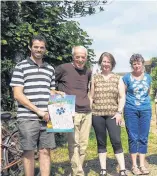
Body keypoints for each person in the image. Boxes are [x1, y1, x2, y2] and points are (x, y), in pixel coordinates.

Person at [10, 35, 63, 176]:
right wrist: (38, 111)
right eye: (36, 47)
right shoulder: (20, 67)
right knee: (28, 153)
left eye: (42, 47)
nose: (39, 50)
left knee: (45, 151)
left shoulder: (50, 69)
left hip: (47, 117)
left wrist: (59, 94)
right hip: (27, 117)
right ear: (30, 47)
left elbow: (50, 91)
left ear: (45, 49)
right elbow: (17, 94)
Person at [55, 46, 92, 176]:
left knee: (83, 145)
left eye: (83, 57)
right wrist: (55, 92)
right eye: (78, 56)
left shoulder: (88, 71)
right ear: (73, 56)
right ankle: (78, 173)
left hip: (87, 112)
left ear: (86, 58)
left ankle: (76, 170)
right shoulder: (63, 68)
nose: (80, 59)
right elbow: (49, 82)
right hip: (69, 111)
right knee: (73, 144)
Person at [89, 52, 127, 176]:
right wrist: (89, 113)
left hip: (113, 115)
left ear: (112, 64)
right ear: (100, 63)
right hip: (97, 114)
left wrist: (119, 112)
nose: (106, 64)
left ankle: (122, 169)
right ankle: (103, 170)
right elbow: (91, 96)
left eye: (108, 62)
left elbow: (122, 97)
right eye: (104, 61)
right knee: (101, 142)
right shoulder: (95, 78)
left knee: (116, 140)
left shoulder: (118, 78)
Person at [122, 54, 152, 175]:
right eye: (134, 63)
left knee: (143, 137)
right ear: (132, 65)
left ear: (142, 64)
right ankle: (134, 165)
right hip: (130, 110)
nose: (136, 65)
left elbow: (148, 93)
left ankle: (142, 165)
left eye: (138, 63)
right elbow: (122, 95)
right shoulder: (126, 78)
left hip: (145, 110)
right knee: (133, 137)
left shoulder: (148, 78)